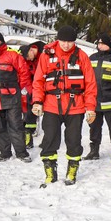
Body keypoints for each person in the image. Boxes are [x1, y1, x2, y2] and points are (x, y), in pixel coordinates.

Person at [31, 26, 97, 186]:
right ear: (57, 40)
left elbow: (90, 84)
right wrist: (37, 101)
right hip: (51, 105)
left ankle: (72, 171)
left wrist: (90, 107)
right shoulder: (46, 56)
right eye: (63, 41)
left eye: (70, 42)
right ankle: (50, 173)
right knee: (50, 139)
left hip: (75, 106)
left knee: (74, 140)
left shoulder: (82, 56)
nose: (66, 45)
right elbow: (38, 80)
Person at [0, 31, 33, 162]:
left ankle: (22, 153)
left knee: (16, 125)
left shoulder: (13, 55)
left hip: (11, 96)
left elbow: (24, 74)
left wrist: (21, 91)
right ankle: (4, 153)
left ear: (2, 41)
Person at [19, 40, 44, 148]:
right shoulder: (28, 60)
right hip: (34, 90)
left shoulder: (44, 55)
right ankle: (28, 138)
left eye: (28, 57)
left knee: (50, 120)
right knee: (29, 115)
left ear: (31, 50)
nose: (28, 60)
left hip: (46, 90)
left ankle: (48, 140)